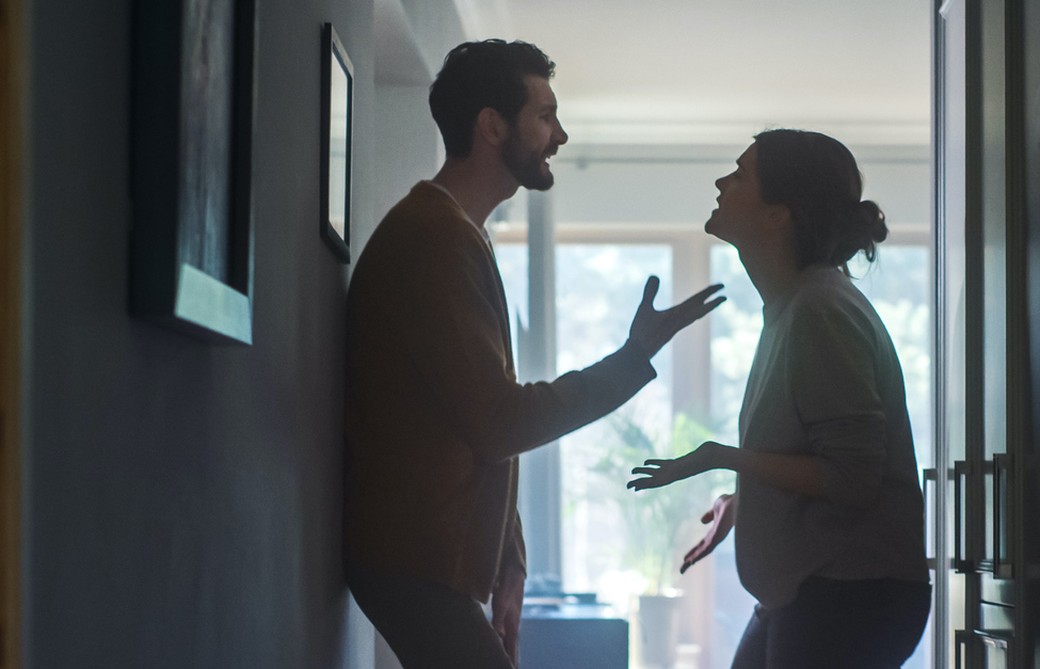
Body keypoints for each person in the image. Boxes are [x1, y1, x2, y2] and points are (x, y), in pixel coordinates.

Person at [343, 39, 724, 669]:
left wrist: (508, 562)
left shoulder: (457, 234)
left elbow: (473, 419)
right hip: (416, 563)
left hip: (435, 563)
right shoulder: (435, 242)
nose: (560, 135)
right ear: (492, 126)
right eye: (545, 116)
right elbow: (500, 422)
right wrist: (633, 359)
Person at [627, 129, 931, 668]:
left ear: (779, 214)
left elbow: (854, 480)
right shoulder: (797, 307)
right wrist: (749, 499)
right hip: (816, 591)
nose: (722, 182)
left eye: (740, 175)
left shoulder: (819, 310)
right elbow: (824, 461)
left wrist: (722, 457)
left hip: (849, 596)